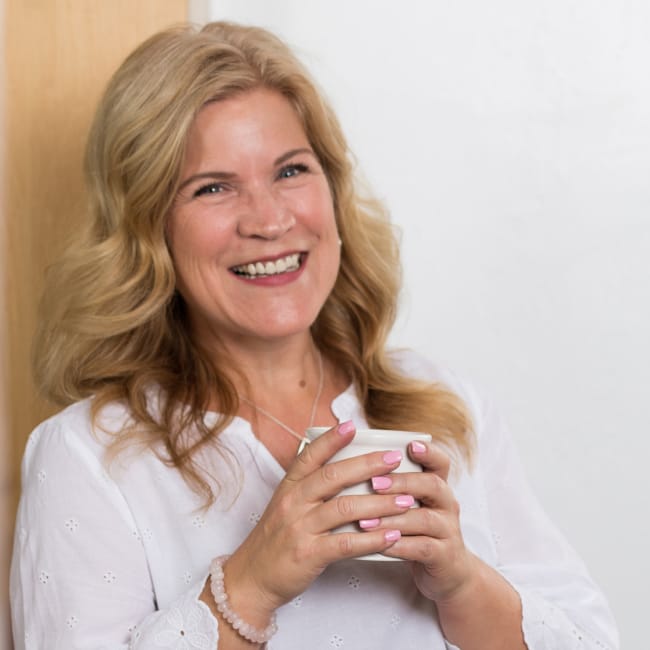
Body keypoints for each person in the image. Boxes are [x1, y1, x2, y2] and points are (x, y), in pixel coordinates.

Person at [10, 21, 618, 650]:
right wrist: (251, 583)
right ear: (148, 228)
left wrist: (462, 583)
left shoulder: (447, 406)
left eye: (291, 171)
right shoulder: (89, 456)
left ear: (332, 191)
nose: (270, 220)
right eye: (213, 187)